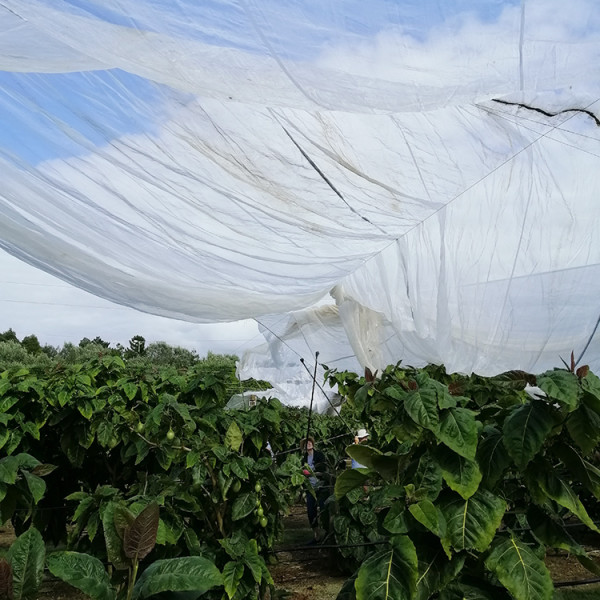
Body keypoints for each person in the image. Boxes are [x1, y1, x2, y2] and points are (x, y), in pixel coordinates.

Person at [300, 436, 327, 542]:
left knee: (323, 509)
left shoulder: (319, 455)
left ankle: (327, 532)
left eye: (310, 442)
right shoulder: (304, 459)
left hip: (320, 487)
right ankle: (316, 535)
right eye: (306, 443)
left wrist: (312, 470)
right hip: (310, 488)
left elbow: (323, 467)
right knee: (311, 512)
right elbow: (302, 471)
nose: (309, 444)